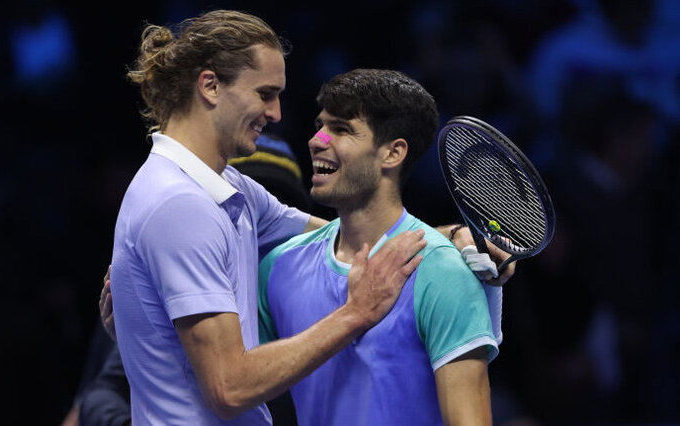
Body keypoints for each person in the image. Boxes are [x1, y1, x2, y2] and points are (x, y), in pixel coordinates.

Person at [110, 10, 428, 425]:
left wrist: (445, 238)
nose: (276, 113)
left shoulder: (231, 187)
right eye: (265, 94)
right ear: (210, 86)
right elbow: (229, 388)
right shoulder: (180, 205)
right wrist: (357, 312)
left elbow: (346, 235)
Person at [258, 69, 502, 425]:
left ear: (392, 153)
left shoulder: (441, 271)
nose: (316, 139)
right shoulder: (279, 265)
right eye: (320, 125)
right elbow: (242, 391)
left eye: (341, 129)